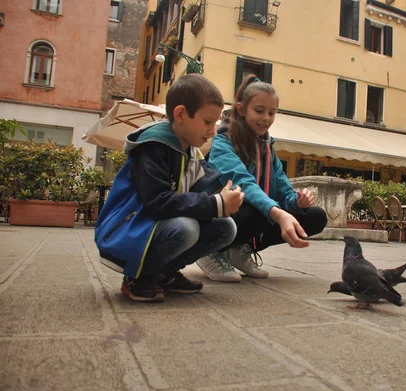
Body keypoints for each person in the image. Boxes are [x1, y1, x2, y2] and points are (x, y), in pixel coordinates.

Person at [95, 74, 244, 302]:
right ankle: (139, 278)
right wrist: (216, 203)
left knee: (226, 227)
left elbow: (201, 190)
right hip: (126, 230)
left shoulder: (190, 152)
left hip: (153, 226)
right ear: (181, 114)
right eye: (207, 122)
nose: (212, 131)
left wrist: (225, 197)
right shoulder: (153, 147)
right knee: (187, 228)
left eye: (214, 124)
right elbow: (158, 203)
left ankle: (165, 273)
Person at [201, 75, 327, 282]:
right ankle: (210, 250)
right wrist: (278, 214)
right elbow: (244, 184)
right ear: (241, 110)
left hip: (252, 213)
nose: (266, 118)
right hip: (216, 217)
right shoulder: (223, 143)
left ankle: (239, 249)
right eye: (259, 110)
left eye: (272, 112)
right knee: (257, 211)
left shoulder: (268, 149)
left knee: (315, 216)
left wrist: (297, 201)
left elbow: (283, 187)